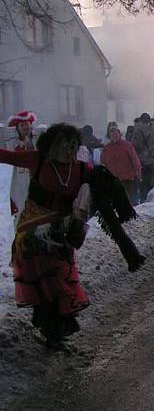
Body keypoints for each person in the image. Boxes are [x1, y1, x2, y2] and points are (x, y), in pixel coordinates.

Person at [0, 124, 145, 348]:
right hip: (33, 233)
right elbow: (5, 155)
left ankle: (53, 331)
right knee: (50, 282)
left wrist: (128, 249)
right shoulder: (37, 159)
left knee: (59, 280)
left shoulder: (82, 169)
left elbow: (103, 205)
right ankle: (52, 333)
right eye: (63, 146)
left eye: (73, 146)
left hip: (62, 234)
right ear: (51, 146)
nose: (69, 151)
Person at [6, 110, 37, 220]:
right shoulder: (12, 143)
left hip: (33, 178)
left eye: (27, 124)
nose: (25, 127)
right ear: (17, 128)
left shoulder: (35, 141)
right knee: (19, 206)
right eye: (22, 125)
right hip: (19, 180)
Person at [100, 126, 141, 203]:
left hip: (127, 177)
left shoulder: (127, 145)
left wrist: (138, 172)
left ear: (119, 134)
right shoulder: (107, 148)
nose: (114, 136)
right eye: (112, 134)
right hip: (113, 179)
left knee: (129, 199)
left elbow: (134, 159)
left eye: (116, 134)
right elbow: (103, 162)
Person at [132, 112, 154, 200]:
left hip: (141, 161)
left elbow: (135, 146)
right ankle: (152, 201)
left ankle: (144, 202)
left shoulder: (137, 131)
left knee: (142, 184)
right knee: (151, 183)